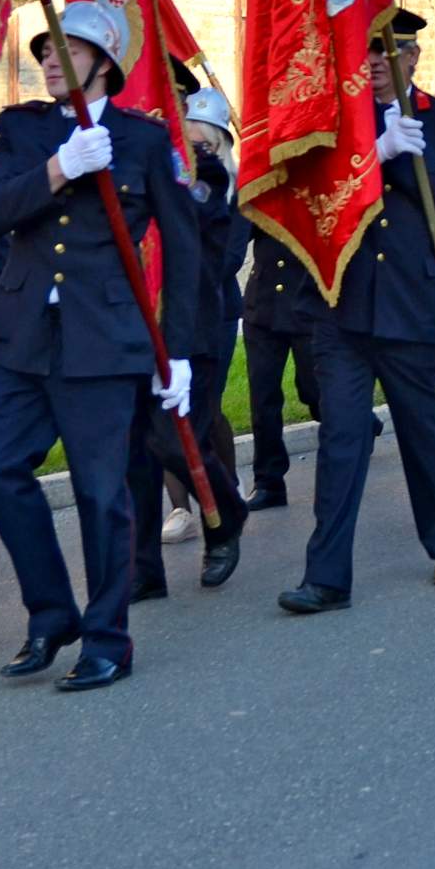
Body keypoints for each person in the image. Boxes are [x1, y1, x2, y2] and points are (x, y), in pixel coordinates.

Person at [0, 0, 201, 693]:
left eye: (63, 50)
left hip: (104, 343)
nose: (45, 60)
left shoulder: (144, 141)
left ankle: (107, 638)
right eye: (43, 50)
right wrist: (58, 169)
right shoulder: (23, 130)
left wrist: (180, 350)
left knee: (103, 494)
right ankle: (50, 614)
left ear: (103, 64)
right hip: (25, 336)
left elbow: (185, 250)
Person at [279, 9, 435, 612]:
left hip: (413, 303)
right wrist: (374, 152)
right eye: (366, 54)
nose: (374, 64)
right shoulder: (335, 122)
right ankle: (326, 577)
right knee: (342, 438)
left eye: (388, 54)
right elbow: (316, 197)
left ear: (414, 58)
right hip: (340, 304)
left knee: (424, 431)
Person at [126, 82, 250, 600]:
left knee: (175, 436)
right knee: (135, 448)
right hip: (132, 322)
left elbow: (215, 258)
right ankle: (142, 570)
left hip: (197, 323)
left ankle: (224, 518)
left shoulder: (212, 178)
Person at [240, 231, 321, 512]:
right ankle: (268, 482)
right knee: (263, 398)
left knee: (316, 390)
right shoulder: (256, 186)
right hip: (263, 303)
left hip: (306, 302)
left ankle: (361, 424)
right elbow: (238, 233)